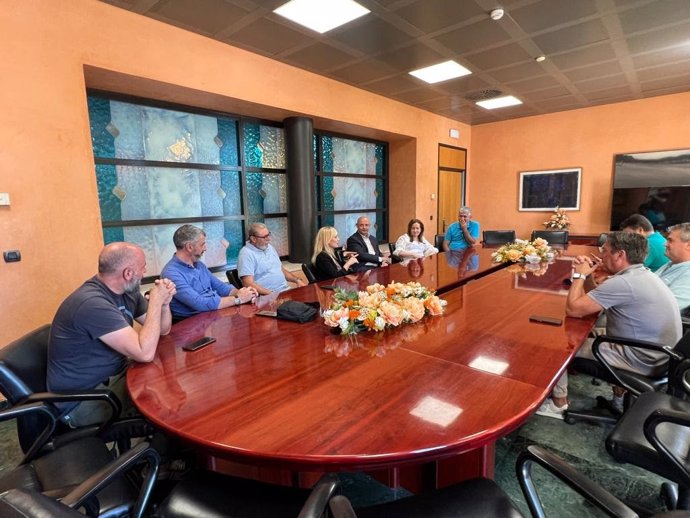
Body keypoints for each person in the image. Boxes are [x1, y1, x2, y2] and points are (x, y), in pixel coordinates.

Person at [536, 231, 681, 419]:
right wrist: (588, 276)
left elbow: (574, 309)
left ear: (620, 255)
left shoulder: (623, 283)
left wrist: (579, 274)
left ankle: (558, 404)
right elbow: (595, 298)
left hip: (641, 359)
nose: (601, 255)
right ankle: (619, 398)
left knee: (557, 345)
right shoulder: (641, 275)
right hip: (659, 355)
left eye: (605, 251)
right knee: (584, 332)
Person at [47, 242, 177, 427]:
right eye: (143, 267)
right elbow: (144, 353)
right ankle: (161, 452)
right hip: (84, 401)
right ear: (128, 273)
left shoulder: (127, 292)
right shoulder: (92, 303)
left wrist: (164, 304)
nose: (145, 272)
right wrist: (155, 301)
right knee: (164, 402)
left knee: (166, 384)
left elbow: (163, 330)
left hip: (115, 377)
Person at [161, 225, 258, 320]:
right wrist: (238, 299)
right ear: (189, 247)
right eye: (202, 244)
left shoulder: (199, 265)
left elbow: (221, 287)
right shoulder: (171, 273)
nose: (205, 248)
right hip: (191, 324)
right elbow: (200, 303)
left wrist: (246, 293)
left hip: (212, 317)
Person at [237, 222, 306, 295]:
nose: (269, 239)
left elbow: (281, 270)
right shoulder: (246, 254)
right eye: (265, 237)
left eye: (268, 235)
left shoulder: (269, 247)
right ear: (253, 239)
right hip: (267, 296)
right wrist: (272, 294)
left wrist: (297, 280)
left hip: (285, 291)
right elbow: (248, 283)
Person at [655, 222, 690, 312]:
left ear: (688, 245)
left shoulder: (688, 274)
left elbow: (667, 308)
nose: (665, 244)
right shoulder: (671, 263)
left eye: (670, 240)